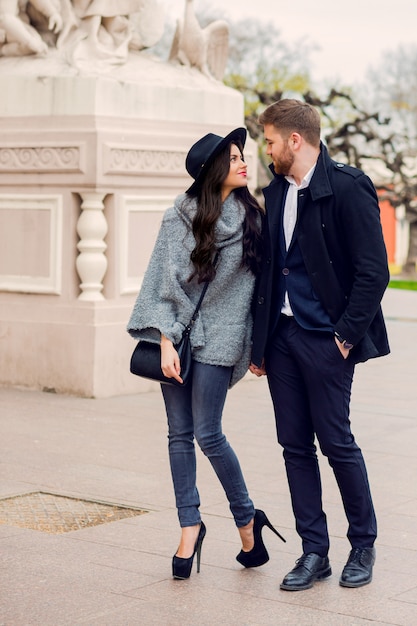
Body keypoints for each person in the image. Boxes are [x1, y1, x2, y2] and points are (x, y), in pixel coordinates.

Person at [127, 128, 285, 580]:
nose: (243, 162)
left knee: (208, 434)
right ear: (212, 169)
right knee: (179, 434)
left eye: (242, 155)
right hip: (175, 340)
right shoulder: (179, 216)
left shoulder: (255, 218)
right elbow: (163, 280)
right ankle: (189, 525)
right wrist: (163, 340)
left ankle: (245, 516)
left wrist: (258, 348)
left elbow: (259, 292)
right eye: (233, 157)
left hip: (223, 338)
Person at [250, 99, 390, 591]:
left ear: (295, 140)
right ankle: (314, 552)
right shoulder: (275, 191)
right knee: (293, 446)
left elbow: (375, 272)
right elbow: (270, 270)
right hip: (283, 339)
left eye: (269, 140)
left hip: (328, 339)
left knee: (336, 442)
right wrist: (259, 343)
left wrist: (346, 337)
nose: (264, 148)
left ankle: (363, 544)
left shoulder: (348, 187)